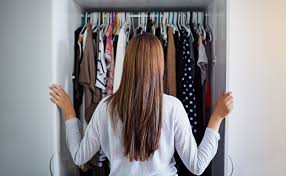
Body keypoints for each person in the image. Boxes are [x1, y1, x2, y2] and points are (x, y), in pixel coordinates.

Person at [49, 33, 233, 176]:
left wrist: (69, 110)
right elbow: (198, 166)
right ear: (159, 66)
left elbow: (79, 156)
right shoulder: (173, 107)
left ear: (128, 64)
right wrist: (216, 117)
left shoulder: (106, 107)